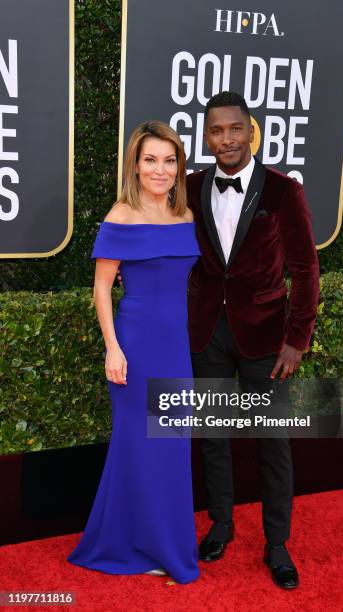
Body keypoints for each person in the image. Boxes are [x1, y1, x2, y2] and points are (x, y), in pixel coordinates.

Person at [187, 91, 320, 589]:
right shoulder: (193, 186)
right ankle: (221, 524)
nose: (227, 139)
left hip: (266, 337)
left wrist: (297, 339)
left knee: (272, 442)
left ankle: (277, 544)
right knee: (214, 437)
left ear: (251, 132)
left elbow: (306, 270)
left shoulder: (285, 191)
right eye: (217, 131)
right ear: (207, 137)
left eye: (235, 129)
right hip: (207, 334)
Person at [67, 121, 200, 585]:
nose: (160, 169)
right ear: (136, 165)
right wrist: (112, 349)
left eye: (169, 159)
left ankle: (162, 542)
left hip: (176, 347)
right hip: (136, 346)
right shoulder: (121, 215)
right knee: (138, 445)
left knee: (170, 447)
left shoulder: (185, 216)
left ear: (178, 165)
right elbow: (102, 288)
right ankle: (129, 543)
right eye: (150, 160)